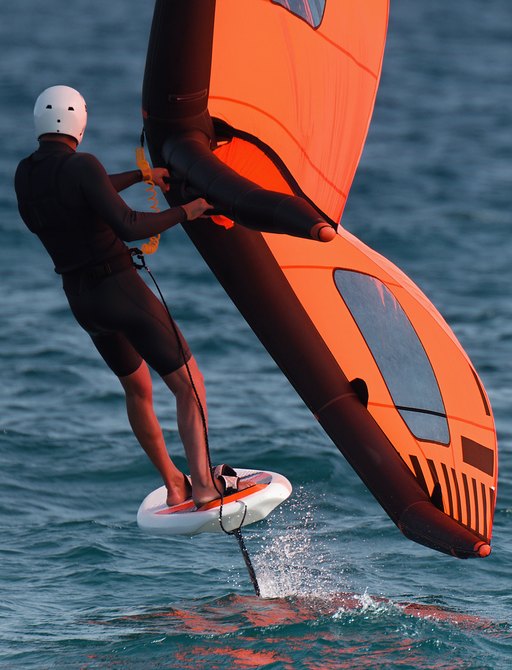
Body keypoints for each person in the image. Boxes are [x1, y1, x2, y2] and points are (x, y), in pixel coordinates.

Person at [14, 85, 244, 508]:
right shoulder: (83, 166)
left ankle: (174, 483)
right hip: (119, 288)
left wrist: (141, 175)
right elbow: (131, 226)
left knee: (137, 388)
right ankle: (206, 486)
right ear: (79, 124)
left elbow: (85, 188)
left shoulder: (25, 174)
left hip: (82, 300)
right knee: (190, 385)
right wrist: (185, 212)